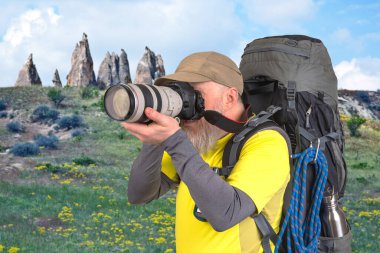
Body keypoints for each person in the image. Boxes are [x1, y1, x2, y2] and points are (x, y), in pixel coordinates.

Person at [122, 51, 290, 253]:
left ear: (229, 97)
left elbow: (226, 213)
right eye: (180, 92)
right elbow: (139, 194)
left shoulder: (267, 141)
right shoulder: (197, 137)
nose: (185, 103)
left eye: (195, 94)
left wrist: (174, 141)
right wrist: (155, 139)